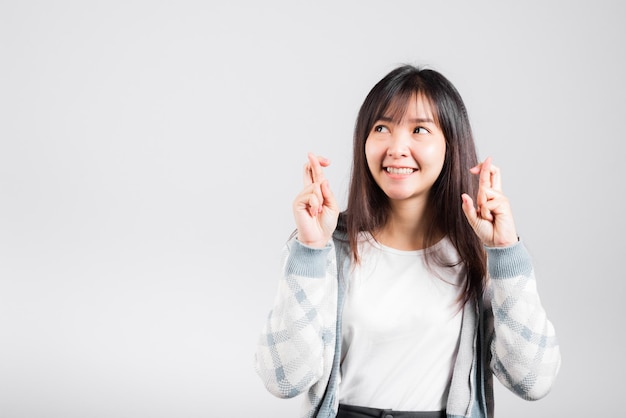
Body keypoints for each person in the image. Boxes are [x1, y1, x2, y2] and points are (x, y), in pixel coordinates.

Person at [254, 65, 561, 418]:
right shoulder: (329, 245)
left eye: (419, 129)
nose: (397, 148)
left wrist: (505, 252)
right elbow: (283, 380)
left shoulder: (478, 253)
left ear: (451, 144)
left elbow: (533, 381)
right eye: (382, 127)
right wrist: (309, 249)